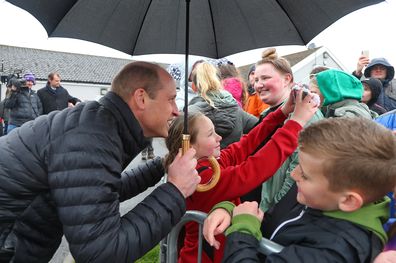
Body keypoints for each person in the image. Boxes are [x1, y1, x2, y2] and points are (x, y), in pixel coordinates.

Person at [0, 62, 201, 262]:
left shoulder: (98, 125)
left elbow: (101, 192)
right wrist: (175, 190)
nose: (176, 111)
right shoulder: (90, 139)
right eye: (171, 99)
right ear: (141, 98)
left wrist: (162, 166)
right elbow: (100, 253)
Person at [204, 117, 396, 262]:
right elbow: (268, 219)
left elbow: (249, 225)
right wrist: (228, 209)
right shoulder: (319, 195)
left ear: (349, 200)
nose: (294, 175)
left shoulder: (334, 251)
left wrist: (242, 229)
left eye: (305, 174)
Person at [164, 88, 319, 262]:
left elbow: (246, 144)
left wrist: (281, 113)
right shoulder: (201, 177)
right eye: (210, 134)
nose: (219, 137)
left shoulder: (209, 163)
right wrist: (296, 123)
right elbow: (255, 169)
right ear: (190, 146)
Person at [242, 48, 324, 210]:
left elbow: (299, 169)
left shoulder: (306, 115)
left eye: (265, 78)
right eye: (256, 79)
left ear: (287, 79)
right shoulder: (268, 114)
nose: (258, 85)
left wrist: (273, 210)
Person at [189, 62, 257, 149]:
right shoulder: (236, 109)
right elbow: (262, 127)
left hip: (204, 162)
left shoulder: (190, 114)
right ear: (221, 83)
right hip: (235, 161)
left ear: (194, 87)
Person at [309, 68, 375, 119]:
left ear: (329, 91)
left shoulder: (347, 116)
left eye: (314, 93)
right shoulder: (355, 110)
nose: (310, 97)